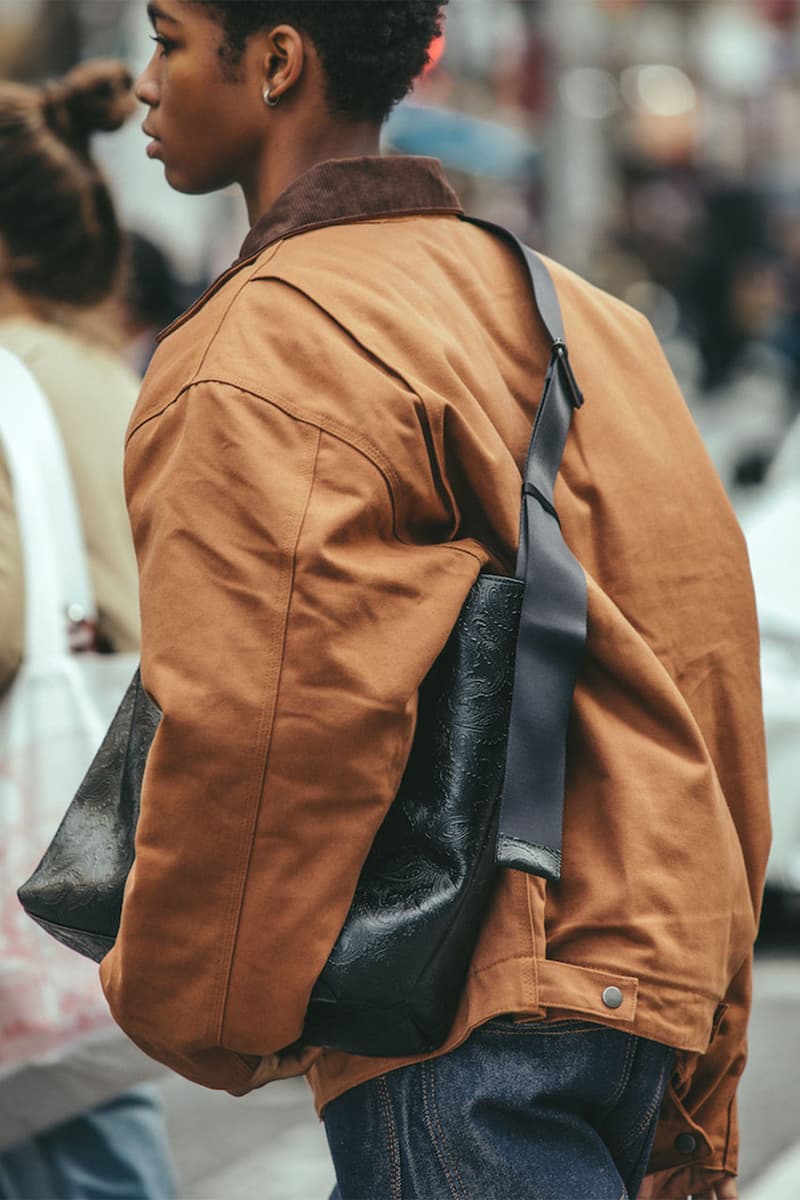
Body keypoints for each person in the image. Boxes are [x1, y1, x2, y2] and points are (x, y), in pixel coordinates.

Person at [100, 3, 770, 1198]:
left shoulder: (261, 347)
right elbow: (704, 659)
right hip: (642, 984)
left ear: (275, 60)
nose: (142, 82)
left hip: (458, 1018)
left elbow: (267, 731)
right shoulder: (594, 322)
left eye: (165, 36)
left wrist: (183, 1000)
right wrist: (706, 1027)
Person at [0, 61, 177, 1200]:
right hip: (97, 848)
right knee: (90, 1126)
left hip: (26, 850)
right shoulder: (112, 378)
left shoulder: (8, 378)